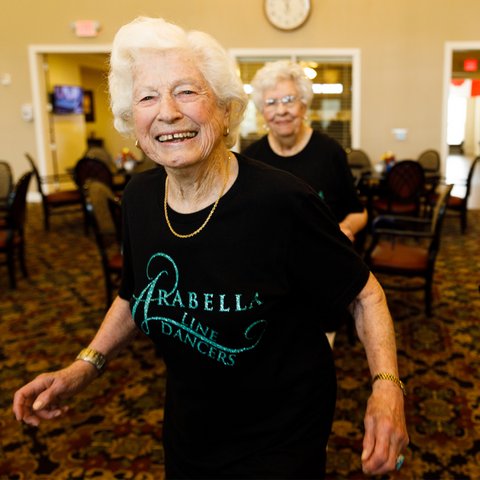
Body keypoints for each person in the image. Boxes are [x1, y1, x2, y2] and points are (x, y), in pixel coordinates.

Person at [13, 17, 408, 479]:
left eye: (186, 91)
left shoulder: (283, 202)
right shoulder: (139, 199)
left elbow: (364, 294)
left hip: (281, 434)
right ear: (131, 120)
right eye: (147, 97)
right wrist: (83, 367)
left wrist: (387, 388)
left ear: (224, 111)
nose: (167, 112)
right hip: (190, 427)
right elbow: (134, 295)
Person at [243, 60, 367, 245]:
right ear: (262, 110)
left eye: (289, 100)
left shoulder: (330, 151)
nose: (281, 110)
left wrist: (346, 228)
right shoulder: (251, 157)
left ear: (304, 105)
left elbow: (358, 212)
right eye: (271, 103)